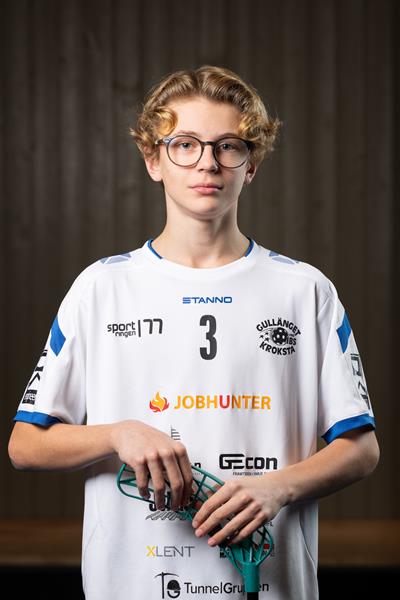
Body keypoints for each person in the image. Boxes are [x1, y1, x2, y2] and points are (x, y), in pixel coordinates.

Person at [8, 65, 379, 600]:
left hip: (270, 585)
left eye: (228, 146)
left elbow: (361, 449)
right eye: (184, 144)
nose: (208, 162)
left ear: (250, 165)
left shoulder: (305, 291)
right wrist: (117, 434)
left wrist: (279, 486)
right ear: (153, 160)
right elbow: (26, 445)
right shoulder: (100, 288)